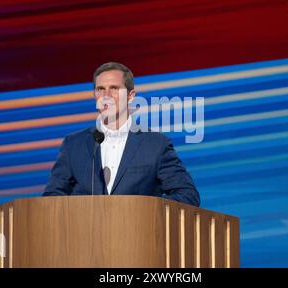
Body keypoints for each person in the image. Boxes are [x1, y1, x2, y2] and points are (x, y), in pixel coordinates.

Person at [42, 62, 200, 206]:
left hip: (137, 234)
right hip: (85, 235)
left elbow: (188, 196)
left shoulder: (156, 145)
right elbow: (51, 198)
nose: (106, 96)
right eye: (100, 89)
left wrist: (143, 207)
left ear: (131, 96)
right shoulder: (73, 145)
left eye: (114, 88)